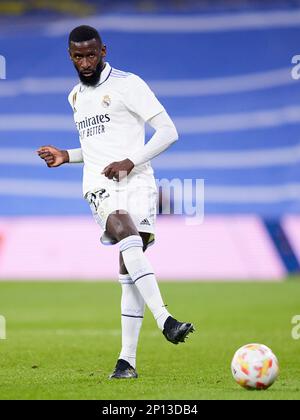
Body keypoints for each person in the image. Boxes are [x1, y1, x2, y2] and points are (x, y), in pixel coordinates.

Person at [38, 25, 194, 379]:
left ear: (103, 51)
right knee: (123, 229)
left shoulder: (129, 84)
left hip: (138, 181)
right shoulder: (74, 97)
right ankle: (166, 320)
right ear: (70, 56)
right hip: (98, 184)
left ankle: (127, 363)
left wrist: (130, 162)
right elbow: (97, 151)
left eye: (91, 54)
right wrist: (67, 155)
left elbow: (169, 131)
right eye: (78, 56)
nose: (85, 62)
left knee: (129, 271)